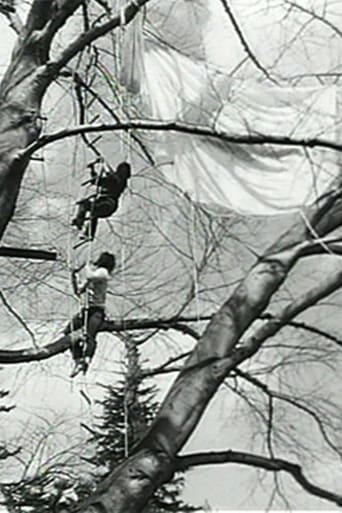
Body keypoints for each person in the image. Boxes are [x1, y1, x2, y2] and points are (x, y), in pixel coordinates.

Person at [64, 252, 116, 377]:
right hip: (86, 309)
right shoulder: (94, 275)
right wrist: (74, 277)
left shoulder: (103, 272)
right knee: (68, 331)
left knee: (89, 335)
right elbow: (79, 291)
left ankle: (86, 359)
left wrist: (86, 265)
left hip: (96, 310)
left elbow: (90, 276)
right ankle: (78, 359)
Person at [72, 161, 131, 240]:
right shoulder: (113, 178)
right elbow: (97, 181)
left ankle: (87, 231)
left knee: (94, 210)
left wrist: (103, 172)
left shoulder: (120, 180)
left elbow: (104, 181)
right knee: (85, 205)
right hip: (103, 202)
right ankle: (81, 223)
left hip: (109, 203)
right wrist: (92, 170)